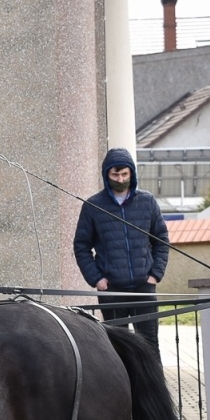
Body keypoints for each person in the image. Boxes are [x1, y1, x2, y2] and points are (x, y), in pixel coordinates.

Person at [73, 148, 169, 349]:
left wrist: (154, 275)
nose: (120, 179)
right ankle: (125, 382)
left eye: (124, 174)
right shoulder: (93, 206)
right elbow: (81, 246)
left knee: (150, 345)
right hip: (111, 290)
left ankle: (153, 382)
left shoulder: (147, 201)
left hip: (144, 288)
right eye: (115, 174)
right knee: (118, 347)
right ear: (106, 174)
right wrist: (96, 279)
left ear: (132, 173)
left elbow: (161, 240)